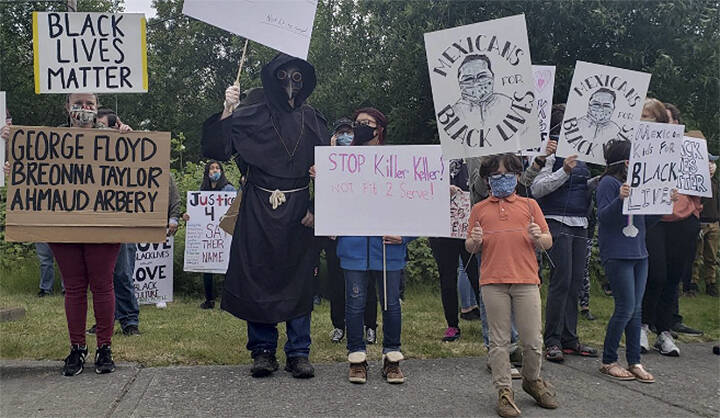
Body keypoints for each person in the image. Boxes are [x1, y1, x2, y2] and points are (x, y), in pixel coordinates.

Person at [202, 53, 328, 379]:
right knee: (258, 275)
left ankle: (298, 351)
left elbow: (332, 173)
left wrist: (318, 207)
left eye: (297, 77)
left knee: (299, 279)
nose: (289, 83)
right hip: (258, 206)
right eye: (283, 76)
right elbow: (218, 149)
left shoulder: (314, 120)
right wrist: (228, 110)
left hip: (300, 210)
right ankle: (262, 350)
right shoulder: (252, 114)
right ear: (272, 79)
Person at [466, 153, 557, 418]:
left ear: (518, 176)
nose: (502, 180)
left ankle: (532, 379)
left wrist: (539, 236)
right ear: (487, 180)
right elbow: (470, 247)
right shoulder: (479, 209)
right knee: (499, 341)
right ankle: (504, 391)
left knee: (532, 341)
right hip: (492, 281)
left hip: (526, 280)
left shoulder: (530, 206)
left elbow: (547, 241)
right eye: (496, 176)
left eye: (508, 175)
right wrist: (475, 240)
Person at [46, 92, 122, 376]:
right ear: (67, 107)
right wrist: (13, 160)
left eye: (89, 103)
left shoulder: (116, 139)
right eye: (77, 103)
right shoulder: (49, 142)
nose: (84, 109)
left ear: (97, 106)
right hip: (63, 223)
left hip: (103, 222)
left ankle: (105, 347)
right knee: (74, 286)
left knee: (102, 285)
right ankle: (77, 347)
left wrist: (129, 137)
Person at [335, 107, 413, 384]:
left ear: (379, 128)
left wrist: (405, 237)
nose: (360, 127)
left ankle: (392, 358)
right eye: (357, 123)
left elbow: (416, 203)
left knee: (392, 305)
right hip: (353, 249)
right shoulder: (340, 163)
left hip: (388, 250)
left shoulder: (398, 162)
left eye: (366, 124)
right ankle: (357, 357)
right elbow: (332, 201)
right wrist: (321, 174)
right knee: (354, 305)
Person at [596, 140, 675, 383]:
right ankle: (609, 360)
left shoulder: (638, 185)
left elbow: (644, 223)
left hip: (640, 252)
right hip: (618, 254)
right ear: (627, 161)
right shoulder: (608, 183)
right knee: (625, 307)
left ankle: (634, 361)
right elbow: (603, 218)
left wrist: (663, 205)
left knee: (636, 310)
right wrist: (620, 199)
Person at [531, 105, 598, 363]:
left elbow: (580, 186)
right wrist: (564, 171)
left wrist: (596, 182)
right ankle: (552, 340)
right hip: (555, 220)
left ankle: (570, 338)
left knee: (575, 281)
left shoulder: (582, 152)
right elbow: (537, 188)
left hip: (580, 221)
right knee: (562, 278)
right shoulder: (549, 152)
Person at [641, 98, 704, 356]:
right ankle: (642, 326)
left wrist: (707, 172)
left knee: (672, 279)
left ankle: (664, 331)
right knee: (655, 275)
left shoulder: (691, 150)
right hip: (656, 220)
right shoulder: (646, 147)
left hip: (683, 221)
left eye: (668, 120)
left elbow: (699, 187)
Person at [316, 118, 378, 343]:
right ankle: (338, 325)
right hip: (334, 232)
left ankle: (370, 325)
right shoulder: (325, 162)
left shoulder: (364, 158)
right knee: (336, 281)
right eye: (340, 133)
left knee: (367, 279)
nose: (345, 137)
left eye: (348, 133)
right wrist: (330, 153)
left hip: (361, 231)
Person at [429, 159, 480, 342]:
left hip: (470, 227)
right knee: (447, 277)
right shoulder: (436, 159)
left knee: (477, 274)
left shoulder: (476, 160)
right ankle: (452, 325)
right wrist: (442, 189)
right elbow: (423, 187)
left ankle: (489, 321)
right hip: (442, 229)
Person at [183, 160, 237, 309]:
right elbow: (196, 212)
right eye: (212, 168)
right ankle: (209, 299)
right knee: (207, 265)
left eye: (217, 168)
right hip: (208, 233)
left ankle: (228, 300)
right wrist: (187, 216)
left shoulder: (229, 189)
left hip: (225, 232)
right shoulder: (202, 191)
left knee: (227, 264)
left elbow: (236, 209)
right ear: (207, 172)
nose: (215, 171)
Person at [452, 54, 512, 131]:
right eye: (468, 79)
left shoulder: (508, 104)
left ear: (492, 77)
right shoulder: (454, 112)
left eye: (482, 76)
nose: (476, 83)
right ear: (460, 84)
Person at [692, 153, 719, 297]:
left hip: (714, 223)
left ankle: (711, 283)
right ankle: (693, 282)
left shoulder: (716, 183)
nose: (711, 165)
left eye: (713, 162)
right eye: (708, 162)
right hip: (700, 223)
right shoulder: (697, 182)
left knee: (711, 256)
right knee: (696, 255)